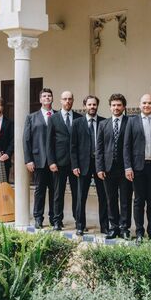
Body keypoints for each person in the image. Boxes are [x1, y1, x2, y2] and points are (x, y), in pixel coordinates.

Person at [124, 94, 151, 240]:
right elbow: (126, 146)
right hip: (137, 167)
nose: (147, 105)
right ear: (140, 105)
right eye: (144, 103)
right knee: (139, 200)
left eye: (149, 103)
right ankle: (139, 232)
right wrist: (128, 167)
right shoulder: (132, 122)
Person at [70, 95, 108, 236]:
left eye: (94, 104)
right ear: (85, 105)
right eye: (89, 104)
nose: (92, 107)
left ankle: (104, 226)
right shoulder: (77, 123)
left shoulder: (104, 122)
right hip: (83, 164)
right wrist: (74, 165)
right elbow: (73, 146)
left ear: (97, 106)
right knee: (81, 196)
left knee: (103, 196)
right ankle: (80, 225)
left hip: (100, 164)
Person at [96, 93, 132, 239]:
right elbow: (99, 148)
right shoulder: (103, 124)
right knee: (110, 199)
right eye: (113, 105)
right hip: (108, 168)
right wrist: (99, 168)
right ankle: (114, 227)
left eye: (119, 105)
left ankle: (124, 228)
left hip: (125, 168)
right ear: (110, 107)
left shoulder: (130, 122)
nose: (116, 108)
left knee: (125, 199)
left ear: (123, 107)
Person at [48, 91, 81, 230]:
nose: (67, 101)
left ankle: (78, 220)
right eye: (65, 99)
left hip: (75, 164)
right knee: (58, 193)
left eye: (70, 99)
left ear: (73, 100)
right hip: (59, 162)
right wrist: (51, 161)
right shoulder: (53, 118)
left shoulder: (79, 118)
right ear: (60, 101)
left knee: (77, 194)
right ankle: (57, 221)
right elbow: (49, 142)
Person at [24, 88, 56, 228]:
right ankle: (38, 217)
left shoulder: (57, 116)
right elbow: (26, 140)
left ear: (52, 98)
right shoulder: (32, 117)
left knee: (55, 191)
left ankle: (55, 218)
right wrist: (28, 159)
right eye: (44, 96)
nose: (47, 98)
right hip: (39, 160)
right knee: (40, 190)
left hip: (56, 161)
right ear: (40, 99)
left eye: (49, 96)